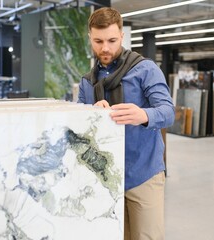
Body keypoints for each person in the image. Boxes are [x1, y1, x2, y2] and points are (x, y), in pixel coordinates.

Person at [78, 7, 175, 240]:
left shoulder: (145, 70)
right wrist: (90, 115)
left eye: (112, 40)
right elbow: (79, 127)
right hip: (104, 179)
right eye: (98, 41)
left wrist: (143, 115)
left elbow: (168, 111)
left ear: (122, 36)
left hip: (143, 173)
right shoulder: (87, 82)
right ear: (90, 38)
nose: (105, 48)